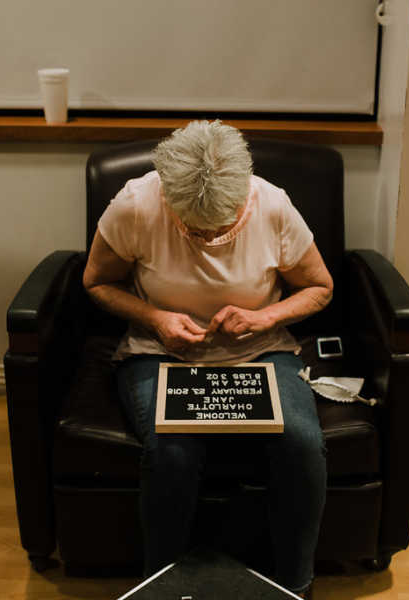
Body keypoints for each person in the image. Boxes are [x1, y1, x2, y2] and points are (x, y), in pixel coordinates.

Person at [82, 120, 332, 597]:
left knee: (301, 445)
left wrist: (263, 318)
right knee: (172, 450)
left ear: (244, 197)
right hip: (161, 351)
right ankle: (162, 585)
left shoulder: (273, 206)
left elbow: (320, 288)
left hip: (258, 349)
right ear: (168, 198)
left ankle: (295, 586)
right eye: (194, 230)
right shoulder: (136, 204)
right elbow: (97, 282)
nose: (207, 238)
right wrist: (156, 317)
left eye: (220, 228)